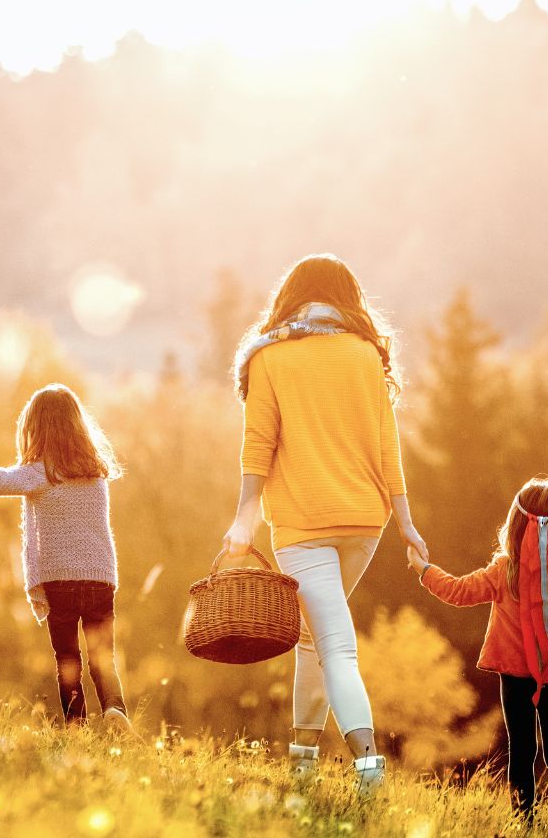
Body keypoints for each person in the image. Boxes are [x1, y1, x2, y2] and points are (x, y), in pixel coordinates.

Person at [219, 253, 428, 796]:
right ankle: (303, 763)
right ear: (347, 297)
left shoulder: (269, 356)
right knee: (314, 639)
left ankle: (369, 772)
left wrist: (244, 518)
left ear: (290, 296)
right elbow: (388, 448)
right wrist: (406, 523)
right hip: (365, 522)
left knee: (334, 645)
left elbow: (257, 447)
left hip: (302, 524)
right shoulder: (366, 354)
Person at [415, 478, 548, 838]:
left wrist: (424, 571)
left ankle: (523, 824)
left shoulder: (505, 570)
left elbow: (459, 591)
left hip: (514, 677)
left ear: (517, 523)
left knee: (521, 751)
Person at [0, 384, 133, 731]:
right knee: (104, 657)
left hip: (61, 582)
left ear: (36, 429)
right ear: (78, 426)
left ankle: (76, 728)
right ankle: (115, 711)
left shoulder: (42, 474)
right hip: (100, 578)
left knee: (67, 659)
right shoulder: (95, 474)